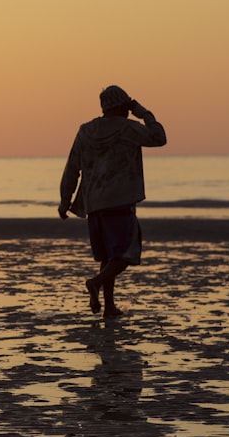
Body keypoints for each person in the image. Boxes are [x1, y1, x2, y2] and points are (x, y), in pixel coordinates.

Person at [59, 85, 167, 319]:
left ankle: (109, 306)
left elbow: (72, 167)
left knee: (108, 255)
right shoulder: (129, 128)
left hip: (94, 203)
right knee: (127, 252)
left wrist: (65, 200)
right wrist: (143, 111)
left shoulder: (85, 130)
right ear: (122, 107)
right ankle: (96, 283)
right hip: (120, 201)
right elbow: (159, 137)